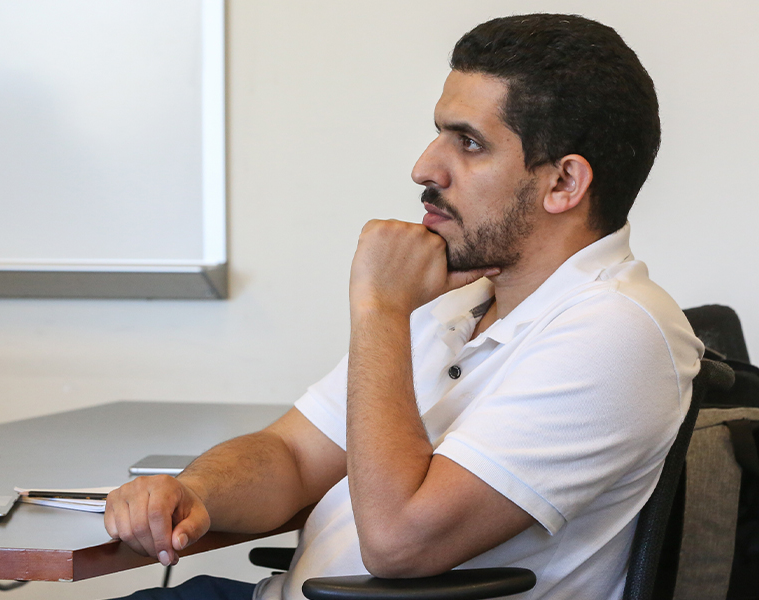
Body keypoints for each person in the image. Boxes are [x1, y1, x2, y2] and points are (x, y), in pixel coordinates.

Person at [102, 13, 704, 600]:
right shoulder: (459, 300)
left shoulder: (616, 330)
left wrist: (379, 311)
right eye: (440, 132)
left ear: (564, 184)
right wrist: (192, 491)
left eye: (468, 143)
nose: (424, 167)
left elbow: (399, 543)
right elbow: (290, 454)